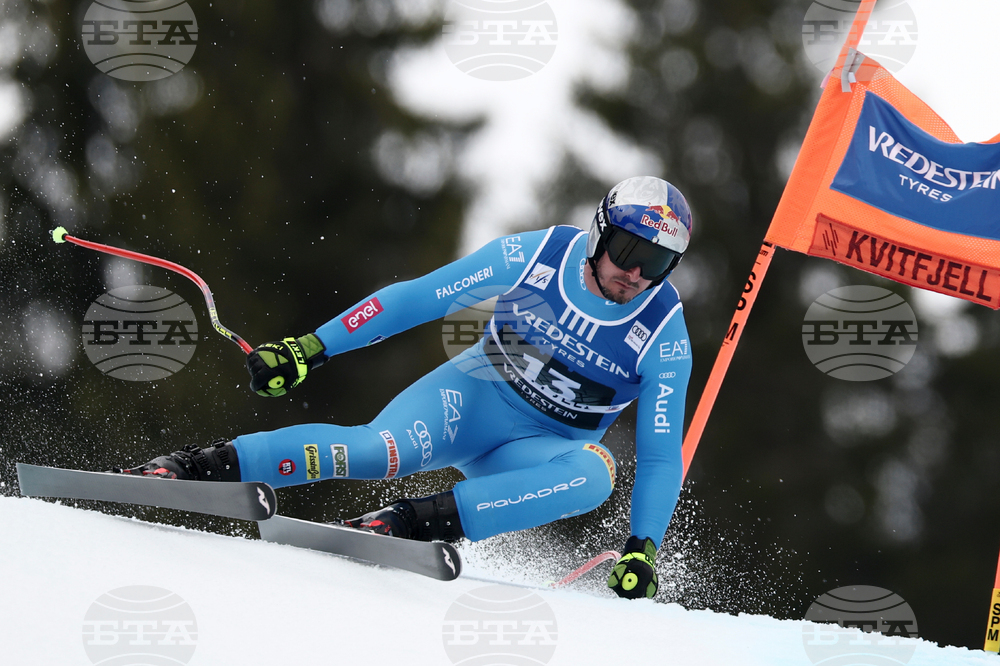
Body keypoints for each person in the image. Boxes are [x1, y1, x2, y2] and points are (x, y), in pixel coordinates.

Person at [121, 176, 694, 600]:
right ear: (599, 233)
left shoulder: (663, 334)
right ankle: (200, 465)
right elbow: (418, 297)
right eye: (628, 251)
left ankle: (410, 523)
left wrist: (643, 548)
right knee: (374, 452)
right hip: (470, 402)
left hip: (537, 451)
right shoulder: (539, 255)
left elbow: (663, 454)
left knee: (596, 474)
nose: (636, 273)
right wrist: (310, 349)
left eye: (658, 263)